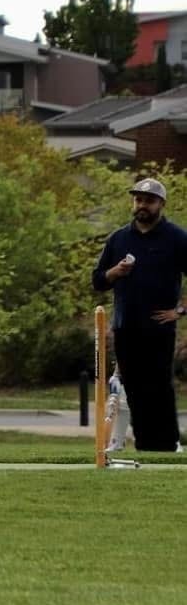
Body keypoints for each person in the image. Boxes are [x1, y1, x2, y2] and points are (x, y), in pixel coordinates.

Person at [92, 177, 187, 452]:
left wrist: (179, 311)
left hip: (159, 327)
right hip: (126, 326)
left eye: (149, 200)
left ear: (161, 204)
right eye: (138, 200)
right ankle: (145, 446)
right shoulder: (119, 239)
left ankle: (168, 445)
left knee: (158, 387)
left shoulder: (176, 238)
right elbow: (98, 280)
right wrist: (115, 272)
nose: (142, 205)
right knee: (133, 389)